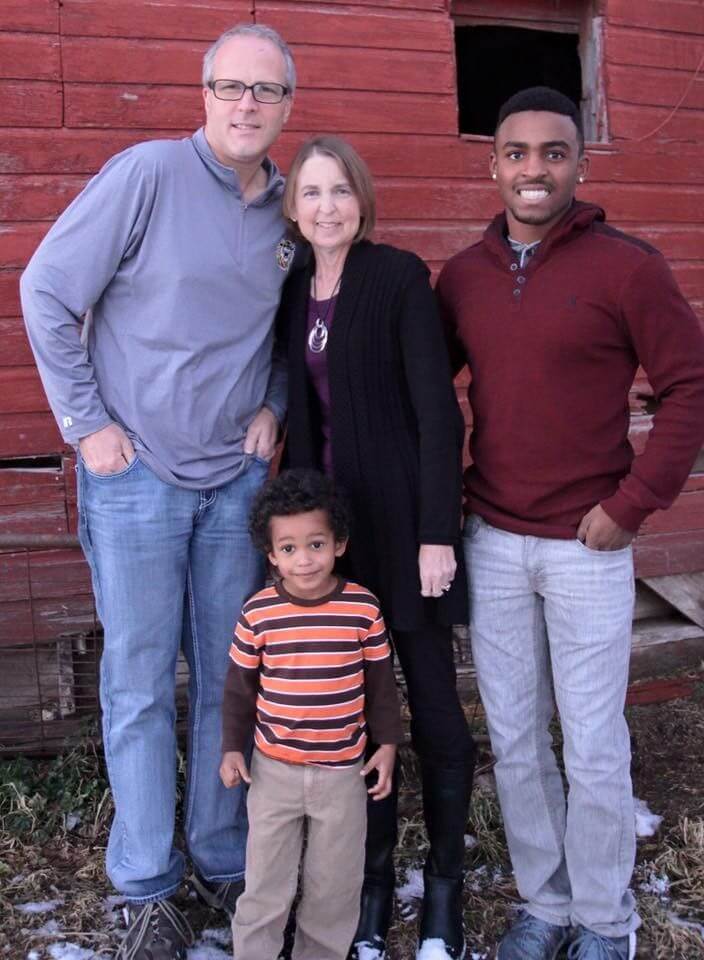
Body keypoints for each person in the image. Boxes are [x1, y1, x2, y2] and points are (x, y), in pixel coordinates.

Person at [20, 23, 297, 960]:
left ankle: (219, 857)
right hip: (135, 478)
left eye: (266, 90)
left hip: (232, 486)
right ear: (204, 93)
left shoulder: (290, 210)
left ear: (286, 105)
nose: (247, 104)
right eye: (232, 87)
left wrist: (274, 402)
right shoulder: (147, 175)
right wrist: (87, 426)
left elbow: (290, 330)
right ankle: (145, 883)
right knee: (138, 682)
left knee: (228, 678)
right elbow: (47, 290)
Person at [437, 86, 704, 960]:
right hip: (494, 538)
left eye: (554, 152)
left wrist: (632, 505)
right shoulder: (465, 277)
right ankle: (545, 906)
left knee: (591, 746)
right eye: (517, 152)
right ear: (493, 165)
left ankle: (604, 920)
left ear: (580, 165)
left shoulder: (628, 268)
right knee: (516, 740)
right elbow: (419, 387)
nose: (534, 169)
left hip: (588, 544)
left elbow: (690, 388)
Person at [277, 135, 475, 960]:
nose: (326, 207)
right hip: (334, 539)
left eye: (340, 191)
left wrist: (436, 533)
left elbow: (438, 415)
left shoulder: (397, 278)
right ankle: (372, 880)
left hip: (404, 529)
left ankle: (445, 885)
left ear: (362, 200)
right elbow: (300, 409)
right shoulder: (294, 290)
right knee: (356, 711)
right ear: (293, 209)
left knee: (433, 707)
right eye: (311, 192)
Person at [220, 468, 404, 959]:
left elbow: (381, 685)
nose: (304, 560)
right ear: (271, 554)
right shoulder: (258, 613)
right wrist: (232, 749)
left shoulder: (362, 609)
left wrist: (387, 744)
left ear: (339, 543)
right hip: (273, 772)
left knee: (334, 887)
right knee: (265, 882)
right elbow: (238, 689)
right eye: (289, 548)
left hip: (342, 774)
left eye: (316, 544)